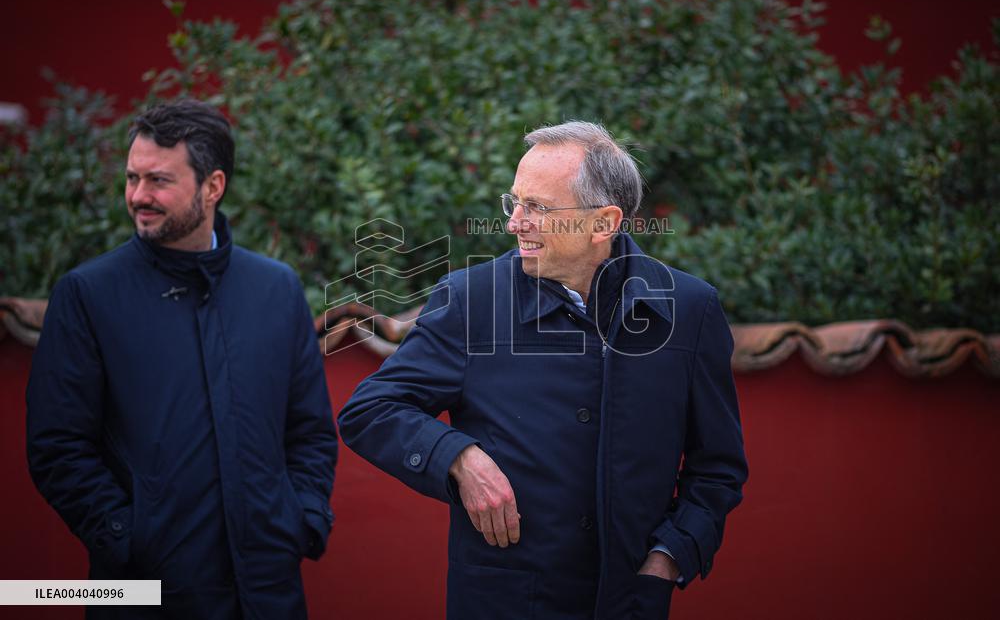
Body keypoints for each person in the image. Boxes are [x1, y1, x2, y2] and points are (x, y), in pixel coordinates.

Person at [338, 121, 748, 619]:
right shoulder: (472, 300)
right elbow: (370, 409)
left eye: (538, 208)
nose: (515, 223)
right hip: (505, 602)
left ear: (604, 223)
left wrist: (668, 558)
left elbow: (718, 468)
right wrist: (459, 458)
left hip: (628, 604)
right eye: (515, 203)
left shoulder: (690, 309)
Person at [26, 99, 338, 619]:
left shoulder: (276, 289)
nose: (138, 196)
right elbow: (57, 446)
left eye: (158, 181)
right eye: (132, 178)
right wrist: (126, 538)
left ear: (212, 186)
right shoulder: (88, 295)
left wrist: (302, 518)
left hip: (266, 593)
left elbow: (309, 431)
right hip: (142, 597)